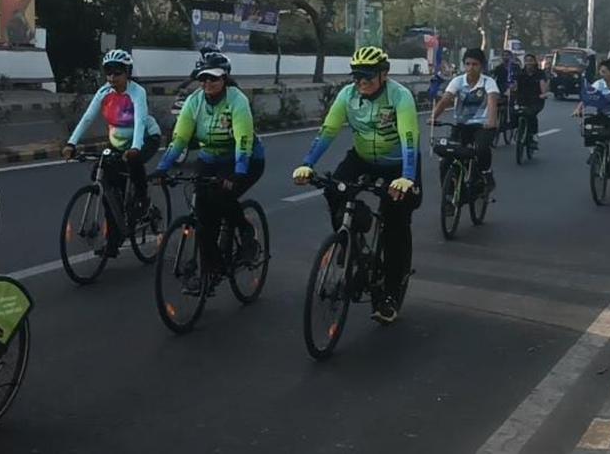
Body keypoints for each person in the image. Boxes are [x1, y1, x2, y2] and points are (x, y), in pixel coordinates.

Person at [292, 46, 422, 324]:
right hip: (363, 158)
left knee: (394, 222)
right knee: (333, 188)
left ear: (383, 74)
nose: (361, 82)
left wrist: (407, 177)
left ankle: (389, 294)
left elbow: (410, 138)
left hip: (398, 163)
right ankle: (350, 238)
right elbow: (328, 131)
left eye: (368, 76)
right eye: (356, 76)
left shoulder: (400, 96)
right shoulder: (348, 96)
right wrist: (307, 163)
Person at [151, 51, 265, 296]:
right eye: (203, 79)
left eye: (213, 78)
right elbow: (180, 138)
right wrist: (162, 167)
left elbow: (243, 139)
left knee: (222, 196)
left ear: (225, 78)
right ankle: (211, 272)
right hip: (210, 159)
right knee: (204, 219)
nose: (208, 84)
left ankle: (246, 232)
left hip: (244, 158)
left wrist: (237, 174)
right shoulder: (195, 101)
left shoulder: (237, 100)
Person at [62, 49, 162, 257]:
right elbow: (87, 118)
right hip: (117, 142)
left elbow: (140, 121)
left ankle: (142, 201)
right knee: (107, 186)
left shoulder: (137, 92)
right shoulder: (104, 92)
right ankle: (113, 241)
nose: (112, 78)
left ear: (127, 73)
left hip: (145, 137)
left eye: (117, 73)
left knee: (134, 163)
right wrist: (71, 143)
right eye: (108, 73)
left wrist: (135, 148)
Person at [431, 48, 500, 191]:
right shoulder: (457, 81)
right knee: (446, 158)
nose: (470, 68)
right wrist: (433, 117)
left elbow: (492, 102)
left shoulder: (488, 82)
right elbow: (445, 100)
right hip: (461, 126)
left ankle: (486, 174)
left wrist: (492, 122)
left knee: (481, 149)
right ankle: (449, 195)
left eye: (475, 64)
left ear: (482, 66)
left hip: (482, 126)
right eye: (467, 64)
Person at [574, 58, 610, 192]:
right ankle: (594, 152)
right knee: (588, 127)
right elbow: (587, 98)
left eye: (604, 71)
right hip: (603, 117)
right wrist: (579, 109)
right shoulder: (598, 84)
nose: (601, 74)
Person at [514, 53, 550, 148]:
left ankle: (533, 136)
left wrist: (543, 94)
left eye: (531, 60)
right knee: (514, 112)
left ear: (535, 62)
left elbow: (543, 86)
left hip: (536, 100)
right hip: (522, 99)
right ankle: (518, 131)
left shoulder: (540, 73)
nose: (529, 63)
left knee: (531, 114)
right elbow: (515, 86)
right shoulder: (520, 73)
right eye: (527, 60)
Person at [491, 50, 520, 134]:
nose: (505, 57)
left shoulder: (515, 67)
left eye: (507, 55)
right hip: (500, 90)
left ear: (511, 57)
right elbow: (493, 77)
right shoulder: (499, 68)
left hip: (512, 91)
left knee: (511, 107)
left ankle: (509, 124)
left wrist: (515, 85)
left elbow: (520, 78)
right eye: (503, 55)